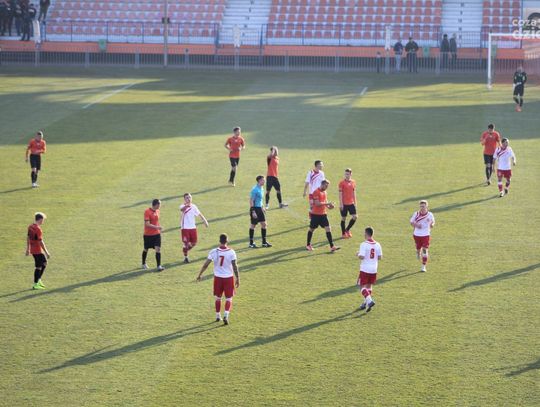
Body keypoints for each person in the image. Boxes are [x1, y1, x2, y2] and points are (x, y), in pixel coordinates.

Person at [196, 233, 239, 325]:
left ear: (219, 241)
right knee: (229, 298)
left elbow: (206, 264)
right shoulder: (231, 252)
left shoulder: (213, 251)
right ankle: (226, 315)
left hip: (218, 278)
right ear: (227, 241)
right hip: (228, 278)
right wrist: (237, 278)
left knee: (218, 298)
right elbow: (235, 266)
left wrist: (200, 274)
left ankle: (217, 315)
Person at [306, 179, 340, 252]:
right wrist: (327, 204)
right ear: (322, 184)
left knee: (328, 228)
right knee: (311, 229)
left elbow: (325, 202)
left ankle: (332, 246)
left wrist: (330, 206)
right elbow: (317, 203)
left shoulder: (325, 192)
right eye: (326, 186)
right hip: (315, 215)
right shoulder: (316, 192)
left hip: (323, 215)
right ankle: (308, 245)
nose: (327, 187)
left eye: (327, 186)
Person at [356, 227, 382, 313]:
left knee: (361, 286)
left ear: (366, 234)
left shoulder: (364, 244)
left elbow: (362, 256)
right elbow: (380, 257)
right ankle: (365, 303)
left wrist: (358, 254)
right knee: (369, 286)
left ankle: (370, 301)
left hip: (365, 269)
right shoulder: (378, 244)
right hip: (374, 269)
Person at [180, 193, 208, 263]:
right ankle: (186, 257)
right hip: (185, 228)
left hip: (193, 227)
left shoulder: (194, 206)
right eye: (187, 198)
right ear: (184, 199)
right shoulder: (182, 206)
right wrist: (187, 206)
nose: (189, 199)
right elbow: (182, 210)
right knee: (186, 243)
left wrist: (205, 221)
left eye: (190, 197)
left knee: (194, 242)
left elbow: (199, 214)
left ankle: (185, 250)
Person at [26, 212, 51, 290]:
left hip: (33, 249)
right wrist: (46, 252)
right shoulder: (38, 229)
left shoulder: (30, 226)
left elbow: (28, 237)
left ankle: (38, 279)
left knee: (44, 263)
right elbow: (40, 242)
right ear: (40, 219)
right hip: (37, 250)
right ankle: (35, 284)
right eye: (43, 220)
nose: (43, 221)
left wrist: (28, 249)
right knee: (38, 267)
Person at [410, 200, 435, 272]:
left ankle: (423, 266)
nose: (422, 208)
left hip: (426, 235)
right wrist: (416, 225)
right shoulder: (416, 214)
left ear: (426, 206)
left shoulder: (430, 214)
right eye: (420, 206)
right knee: (418, 248)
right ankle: (418, 253)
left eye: (423, 206)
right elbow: (411, 222)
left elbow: (433, 221)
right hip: (416, 235)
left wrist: (432, 225)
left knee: (424, 250)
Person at [249, 175, 271, 248]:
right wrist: (253, 211)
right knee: (253, 225)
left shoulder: (261, 188)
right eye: (263, 180)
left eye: (264, 180)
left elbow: (260, 200)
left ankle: (264, 242)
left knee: (264, 224)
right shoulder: (255, 189)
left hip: (260, 209)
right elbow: (251, 201)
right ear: (259, 181)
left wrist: (262, 207)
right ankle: (251, 243)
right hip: (255, 209)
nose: (264, 181)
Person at [142, 199, 164, 271]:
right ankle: (143, 263)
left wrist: (158, 228)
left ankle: (159, 266)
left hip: (156, 234)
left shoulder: (158, 211)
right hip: (148, 234)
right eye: (159, 204)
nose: (160, 206)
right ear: (156, 204)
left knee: (158, 249)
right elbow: (147, 224)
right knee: (146, 249)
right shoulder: (147, 211)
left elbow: (156, 221)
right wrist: (157, 227)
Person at [338, 168, 357, 239]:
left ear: (351, 174)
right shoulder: (341, 183)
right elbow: (340, 194)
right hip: (344, 204)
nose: (346, 175)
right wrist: (341, 204)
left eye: (348, 174)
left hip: (351, 203)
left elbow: (354, 192)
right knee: (343, 218)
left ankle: (347, 229)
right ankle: (343, 233)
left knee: (355, 217)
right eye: (345, 174)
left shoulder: (353, 182)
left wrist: (355, 202)